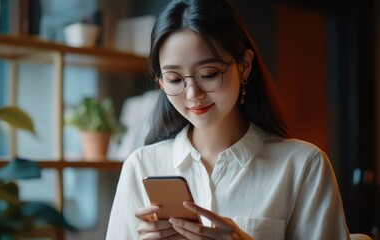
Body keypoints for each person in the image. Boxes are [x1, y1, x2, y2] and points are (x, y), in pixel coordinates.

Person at [106, 0, 350, 239]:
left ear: (244, 66)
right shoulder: (141, 165)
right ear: (160, 82)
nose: (193, 94)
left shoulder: (303, 165)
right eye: (174, 79)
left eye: (209, 74)